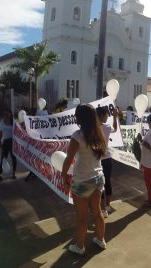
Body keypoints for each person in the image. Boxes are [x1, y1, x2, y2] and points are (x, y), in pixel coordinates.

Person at [61, 104, 107, 255]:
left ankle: (79, 247)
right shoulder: (99, 134)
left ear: (80, 118)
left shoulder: (77, 136)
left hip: (82, 181)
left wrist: (63, 176)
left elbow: (68, 160)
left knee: (82, 219)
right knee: (97, 212)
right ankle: (101, 240)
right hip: (98, 179)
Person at [96, 106, 118, 217]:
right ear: (101, 115)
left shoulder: (92, 128)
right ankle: (107, 206)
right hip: (106, 159)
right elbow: (115, 128)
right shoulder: (107, 127)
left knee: (100, 184)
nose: (107, 117)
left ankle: (102, 208)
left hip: (97, 160)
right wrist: (115, 117)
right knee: (107, 182)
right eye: (106, 115)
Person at [0, 109, 17, 181]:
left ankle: (14, 173)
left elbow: (18, 133)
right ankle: (0, 175)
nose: (5, 115)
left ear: (10, 114)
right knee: (3, 159)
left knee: (13, 158)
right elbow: (1, 132)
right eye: (4, 113)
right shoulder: (2, 122)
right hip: (5, 142)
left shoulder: (13, 122)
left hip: (12, 142)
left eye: (7, 113)